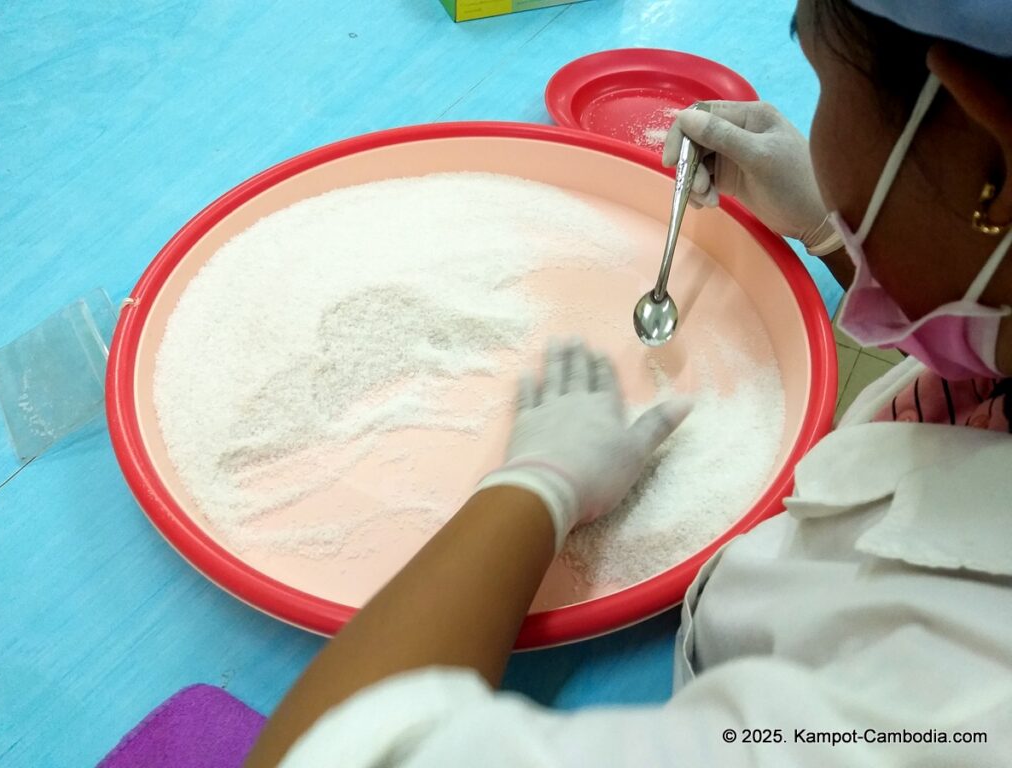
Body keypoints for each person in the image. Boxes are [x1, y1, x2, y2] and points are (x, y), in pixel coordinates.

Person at [245, 0, 1012, 764]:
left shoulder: (925, 710)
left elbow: (331, 749)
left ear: (993, 155)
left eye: (821, 83)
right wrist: (846, 237)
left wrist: (535, 487)